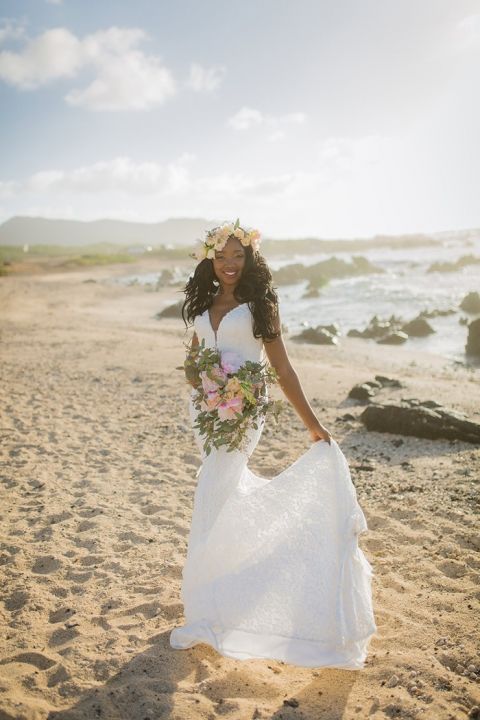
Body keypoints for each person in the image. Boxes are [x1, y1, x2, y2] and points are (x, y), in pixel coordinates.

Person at [169, 221, 376, 668]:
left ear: (250, 260)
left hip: (244, 410)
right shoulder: (205, 301)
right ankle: (218, 599)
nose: (229, 264)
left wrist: (313, 426)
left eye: (237, 257)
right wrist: (203, 380)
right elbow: (192, 357)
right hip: (205, 409)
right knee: (217, 492)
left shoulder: (261, 303)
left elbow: (282, 369)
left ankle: (212, 607)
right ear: (209, 258)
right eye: (221, 257)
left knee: (212, 492)